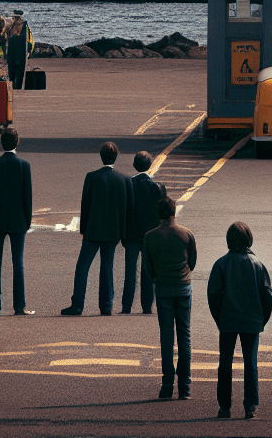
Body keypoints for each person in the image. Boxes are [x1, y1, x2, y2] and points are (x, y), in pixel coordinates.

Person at [207, 221, 272, 420]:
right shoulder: (258, 265)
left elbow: (213, 295)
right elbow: (267, 296)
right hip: (252, 320)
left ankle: (224, 407)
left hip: (227, 319)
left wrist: (219, 318)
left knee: (225, 363)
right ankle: (250, 406)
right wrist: (261, 319)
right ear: (249, 240)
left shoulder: (221, 264)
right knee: (250, 363)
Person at [62, 141, 132, 316]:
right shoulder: (124, 180)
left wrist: (84, 228)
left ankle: (77, 304)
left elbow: (85, 205)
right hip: (113, 232)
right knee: (107, 267)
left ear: (101, 157)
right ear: (115, 157)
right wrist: (123, 235)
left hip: (93, 230)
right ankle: (106, 305)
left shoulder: (91, 177)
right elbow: (128, 210)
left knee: (82, 267)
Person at [142, 196, 197, 400]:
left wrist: (158, 277)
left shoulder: (150, 236)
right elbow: (192, 262)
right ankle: (185, 386)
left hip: (163, 289)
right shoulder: (186, 234)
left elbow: (147, 266)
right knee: (185, 336)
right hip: (183, 288)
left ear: (159, 214)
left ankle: (167, 384)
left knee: (167, 337)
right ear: (174, 212)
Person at [0, 127, 33, 316]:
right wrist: (27, 221)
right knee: (18, 262)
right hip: (18, 220)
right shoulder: (24, 166)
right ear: (17, 143)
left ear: (2, 143)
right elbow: (27, 197)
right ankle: (19, 306)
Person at [121, 150, 166, 315]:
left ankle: (126, 306)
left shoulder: (128, 184)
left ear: (134, 165)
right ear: (150, 165)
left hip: (131, 234)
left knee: (130, 271)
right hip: (150, 235)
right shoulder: (158, 187)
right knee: (148, 272)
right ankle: (147, 306)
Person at [5, 10, 34, 90]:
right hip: (13, 49)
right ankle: (13, 85)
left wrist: (29, 50)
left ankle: (18, 86)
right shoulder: (10, 24)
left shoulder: (24, 25)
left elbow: (29, 39)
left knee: (20, 69)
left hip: (21, 49)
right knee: (12, 69)